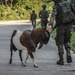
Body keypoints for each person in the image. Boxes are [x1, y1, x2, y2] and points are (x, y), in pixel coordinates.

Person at [47, 0, 75, 65]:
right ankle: (68, 53)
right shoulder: (69, 2)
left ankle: (61, 60)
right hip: (69, 25)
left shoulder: (57, 5)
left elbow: (53, 15)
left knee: (60, 42)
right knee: (67, 40)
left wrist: (50, 24)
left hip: (61, 26)